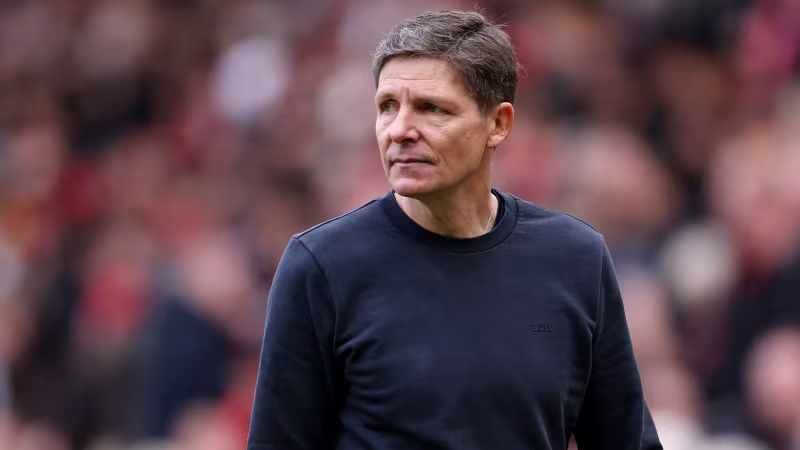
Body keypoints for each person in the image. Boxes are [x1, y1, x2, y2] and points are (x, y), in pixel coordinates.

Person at [247, 10, 662, 450]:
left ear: (498, 124)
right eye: (388, 106)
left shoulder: (576, 258)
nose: (400, 130)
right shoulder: (321, 266)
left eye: (432, 108)